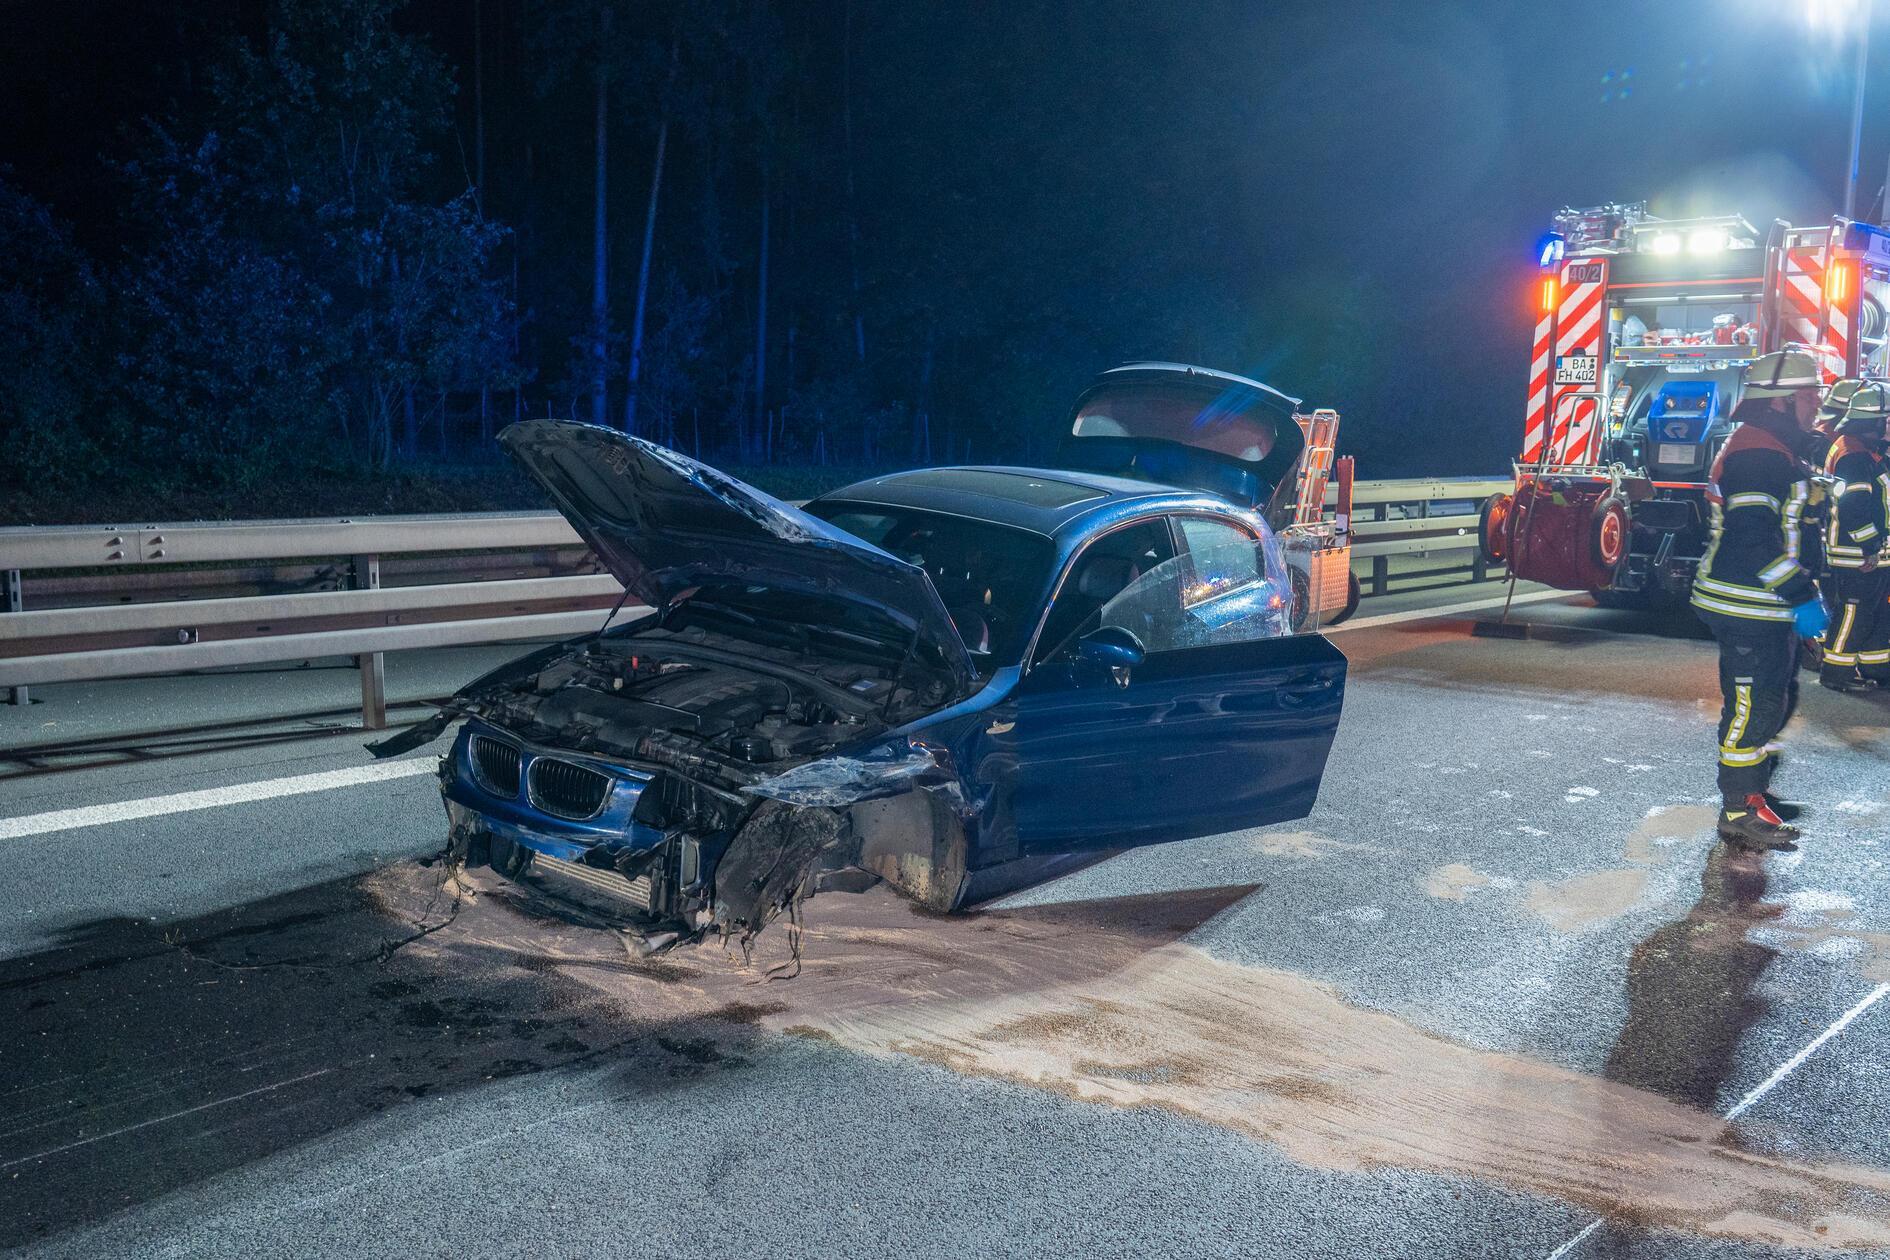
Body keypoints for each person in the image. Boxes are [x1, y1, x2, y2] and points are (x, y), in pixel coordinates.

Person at [1690, 347, 1831, 852]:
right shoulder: (1758, 455)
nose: (1816, 403)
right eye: (1809, 394)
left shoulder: (1772, 447)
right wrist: (1801, 595)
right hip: (1746, 605)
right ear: (1780, 402)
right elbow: (1752, 539)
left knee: (1773, 699)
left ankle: (1753, 791)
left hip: (1765, 604)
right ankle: (1737, 809)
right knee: (1751, 706)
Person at [1821, 384, 1890, 691]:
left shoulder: (1864, 451)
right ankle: (1836, 672)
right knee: (1854, 611)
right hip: (1856, 553)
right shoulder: (1854, 456)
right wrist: (1870, 546)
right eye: (1886, 420)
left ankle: (1876, 667)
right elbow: (1854, 507)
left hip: (1870, 552)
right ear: (1873, 422)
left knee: (1875, 613)